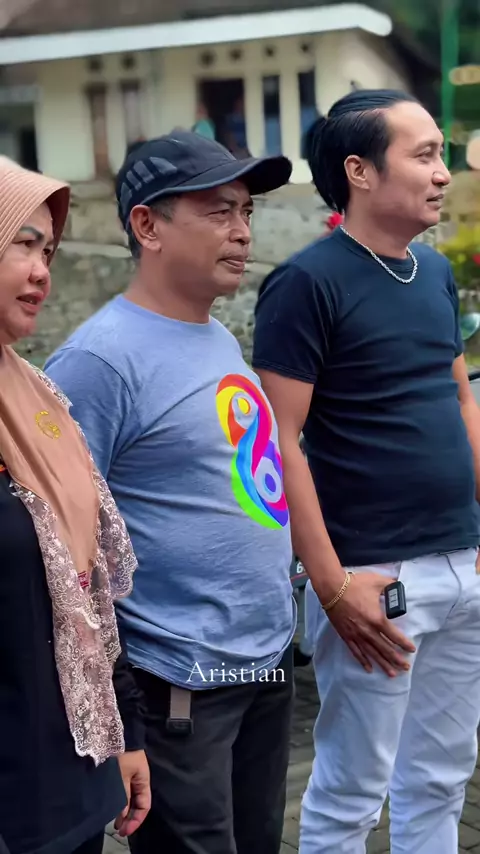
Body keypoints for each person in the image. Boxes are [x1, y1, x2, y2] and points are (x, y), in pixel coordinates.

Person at [44, 131, 296, 854]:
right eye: (219, 211)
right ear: (147, 226)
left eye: (246, 211)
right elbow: (62, 541)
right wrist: (117, 708)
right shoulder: (99, 361)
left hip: (265, 661)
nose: (242, 231)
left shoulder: (216, 337)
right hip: (179, 683)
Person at [251, 89, 480, 854]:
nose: (443, 173)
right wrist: (331, 584)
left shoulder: (434, 273)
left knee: (441, 778)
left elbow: (458, 397)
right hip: (375, 578)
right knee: (352, 790)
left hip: (463, 562)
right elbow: (279, 442)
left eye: (442, 154)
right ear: (360, 170)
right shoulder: (307, 283)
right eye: (424, 155)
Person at [0, 155, 151, 854]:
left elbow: (86, 595)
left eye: (49, 252)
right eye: (24, 245)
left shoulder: (39, 401)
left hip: (71, 786)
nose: (42, 272)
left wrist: (127, 734)